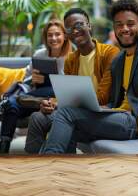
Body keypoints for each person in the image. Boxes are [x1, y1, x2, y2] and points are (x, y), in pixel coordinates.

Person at [39, 0, 138, 154]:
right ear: (114, 29)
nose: (124, 29)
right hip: (117, 113)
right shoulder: (119, 60)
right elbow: (113, 98)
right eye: (119, 25)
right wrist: (103, 108)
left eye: (130, 23)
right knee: (61, 128)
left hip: (133, 121)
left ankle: (47, 166)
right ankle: (63, 171)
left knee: (66, 113)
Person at [24, 8, 120, 154]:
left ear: (89, 26)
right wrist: (52, 102)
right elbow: (67, 94)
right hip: (74, 111)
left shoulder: (109, 53)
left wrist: (67, 103)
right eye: (70, 29)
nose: (75, 31)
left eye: (79, 25)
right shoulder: (71, 59)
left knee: (65, 118)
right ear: (67, 35)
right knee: (37, 117)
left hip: (101, 113)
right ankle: (32, 163)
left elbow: (104, 97)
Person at [0, 19, 71, 154]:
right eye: (50, 35)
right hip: (35, 98)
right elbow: (26, 79)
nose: (53, 38)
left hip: (56, 99)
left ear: (65, 36)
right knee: (11, 104)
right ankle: (3, 148)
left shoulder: (72, 56)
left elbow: (73, 86)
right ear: (45, 37)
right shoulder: (39, 55)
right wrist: (33, 80)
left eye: (57, 34)